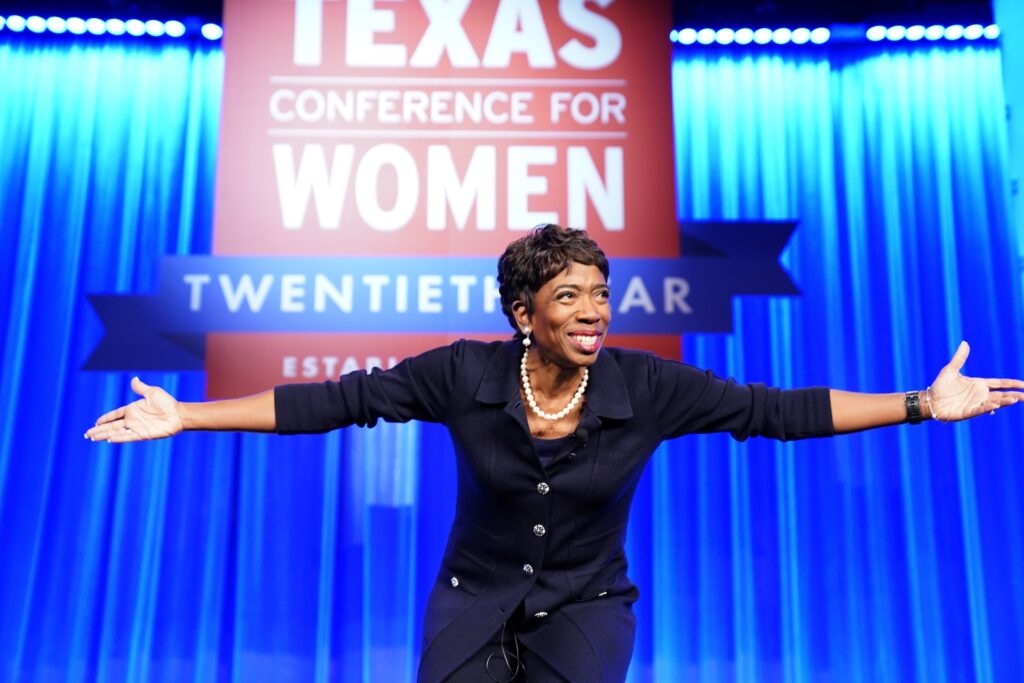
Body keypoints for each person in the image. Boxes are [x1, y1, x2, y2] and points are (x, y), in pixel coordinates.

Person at [86, 224, 1023, 682]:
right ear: (523, 313)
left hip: (587, 606)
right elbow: (336, 400)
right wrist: (189, 416)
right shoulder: (463, 373)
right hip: (471, 604)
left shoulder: (648, 385)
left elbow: (775, 411)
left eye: (602, 293)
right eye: (569, 296)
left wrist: (916, 404)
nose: (593, 310)